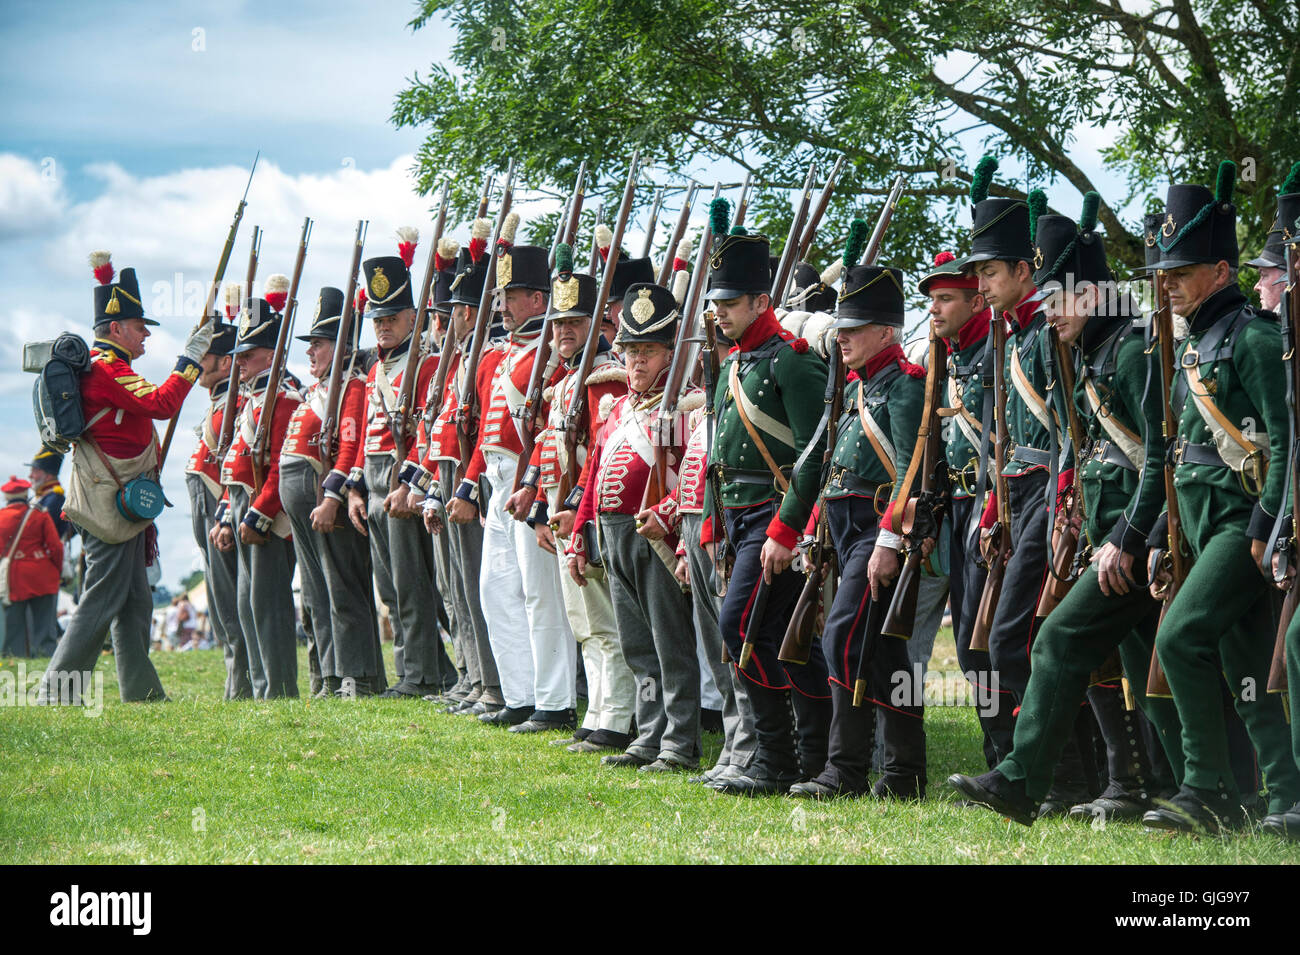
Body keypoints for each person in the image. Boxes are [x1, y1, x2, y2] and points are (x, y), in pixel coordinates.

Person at [950, 195, 1187, 825]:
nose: (1049, 312)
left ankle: (1033, 780)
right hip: (1103, 526)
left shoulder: (1132, 352)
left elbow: (1162, 453)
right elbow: (1082, 452)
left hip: (1138, 533)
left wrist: (1138, 535)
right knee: (1139, 663)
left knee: (1065, 640)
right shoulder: (1085, 352)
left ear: (1090, 294)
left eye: (1059, 297)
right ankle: (1167, 786)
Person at [1137, 163, 1300, 833]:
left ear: (1222, 272)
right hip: (1200, 525)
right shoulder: (1192, 347)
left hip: (1242, 520)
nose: (1167, 283)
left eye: (1181, 271)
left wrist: (1269, 522)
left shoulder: (1254, 340)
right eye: (1165, 272)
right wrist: (1156, 538)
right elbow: (1175, 455)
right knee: (1245, 663)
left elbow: (1288, 440)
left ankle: (1205, 786)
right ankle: (1279, 795)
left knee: (1179, 638)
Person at [960, 159, 1092, 813]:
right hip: (1015, 497)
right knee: (990, 640)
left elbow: (1070, 426)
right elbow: (1001, 440)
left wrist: (1063, 497)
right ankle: (1027, 770)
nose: (979, 284)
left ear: (1022, 270)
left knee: (1020, 638)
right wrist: (993, 505)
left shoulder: (1045, 334)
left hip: (1050, 494)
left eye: (989, 272)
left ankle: (1062, 776)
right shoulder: (1005, 338)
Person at [700, 197, 832, 796]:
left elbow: (813, 457)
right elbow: (717, 457)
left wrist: (786, 530)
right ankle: (807, 754)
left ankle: (778, 757)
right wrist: (710, 524)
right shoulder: (733, 364)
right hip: (738, 519)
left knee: (742, 629)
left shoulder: (791, 363)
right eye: (716, 304)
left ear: (760, 302)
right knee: (782, 641)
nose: (720, 314)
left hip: (773, 520)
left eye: (730, 304)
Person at [39, 253, 211, 704]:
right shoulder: (107, 368)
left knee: (136, 600)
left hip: (121, 499)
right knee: (100, 599)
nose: (146, 334)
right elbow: (162, 404)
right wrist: (189, 359)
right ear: (116, 329)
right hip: (110, 501)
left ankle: (143, 691)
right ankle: (57, 691)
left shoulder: (113, 367)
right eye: (139, 326)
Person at [789, 253, 927, 799]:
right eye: (839, 328)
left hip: (878, 530)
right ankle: (902, 774)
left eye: (855, 328)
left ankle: (844, 770)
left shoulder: (905, 384)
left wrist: (890, 541)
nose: (841, 338)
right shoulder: (857, 385)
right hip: (844, 531)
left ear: (887, 330)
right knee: (885, 652)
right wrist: (816, 528)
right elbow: (836, 468)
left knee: (843, 637)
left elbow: (909, 473)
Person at [569, 280, 701, 770]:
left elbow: (690, 474)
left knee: (670, 644)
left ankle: (679, 741)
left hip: (656, 537)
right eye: (630, 351)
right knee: (638, 646)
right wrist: (581, 535)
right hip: (612, 533)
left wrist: (665, 516)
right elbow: (594, 471)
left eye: (648, 351)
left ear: (670, 353)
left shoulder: (682, 408)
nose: (637, 361)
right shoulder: (618, 407)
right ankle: (648, 734)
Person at [447, 230, 576, 729]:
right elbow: (482, 433)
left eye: (511, 296)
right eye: (500, 297)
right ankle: (519, 695)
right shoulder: (495, 358)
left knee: (541, 596)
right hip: (497, 482)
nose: (501, 305)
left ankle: (555, 701)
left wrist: (536, 489)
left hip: (532, 482)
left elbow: (549, 429)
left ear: (538, 299)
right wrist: (467, 485)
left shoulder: (549, 355)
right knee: (496, 591)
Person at [511, 242, 635, 751]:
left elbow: (605, 455)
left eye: (575, 322)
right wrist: (543, 512)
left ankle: (617, 718)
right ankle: (597, 713)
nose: (564, 331)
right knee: (584, 622)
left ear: (596, 326)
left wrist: (572, 511)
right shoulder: (561, 384)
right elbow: (547, 454)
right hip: (565, 514)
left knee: (606, 622)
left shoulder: (604, 379)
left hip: (592, 512)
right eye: (559, 322)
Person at [346, 233, 454, 698]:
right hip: (372, 485)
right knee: (390, 589)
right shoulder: (375, 370)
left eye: (391, 318)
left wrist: (408, 483)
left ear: (413, 317)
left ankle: (422, 675)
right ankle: (427, 670)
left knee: (412, 588)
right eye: (377, 320)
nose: (383, 327)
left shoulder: (426, 365)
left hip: (400, 482)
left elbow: (426, 432)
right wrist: (354, 488)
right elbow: (366, 433)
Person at [409, 232, 503, 715]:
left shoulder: (486, 359)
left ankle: (491, 682)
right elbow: (439, 427)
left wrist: (466, 486)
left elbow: (488, 431)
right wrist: (429, 492)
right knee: (456, 587)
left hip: (473, 478)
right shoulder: (462, 360)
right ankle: (472, 675)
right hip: (449, 476)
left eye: (448, 314)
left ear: (467, 313)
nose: (442, 324)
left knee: (477, 584)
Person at [287, 287, 386, 697]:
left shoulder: (352, 388)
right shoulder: (320, 390)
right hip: (306, 506)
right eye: (309, 345)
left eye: (319, 344)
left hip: (328, 499)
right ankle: (331, 676)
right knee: (316, 595)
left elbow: (349, 445)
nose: (310, 352)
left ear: (342, 347)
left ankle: (357, 677)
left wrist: (332, 497)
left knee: (343, 590)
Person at [215, 291, 302, 699]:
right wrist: (223, 515)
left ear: (270, 355)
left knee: (268, 607)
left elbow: (281, 465)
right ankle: (263, 686)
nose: (240, 362)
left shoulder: (282, 400)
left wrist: (259, 515)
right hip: (240, 508)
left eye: (248, 354)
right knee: (248, 605)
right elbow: (234, 462)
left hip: (263, 516)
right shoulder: (251, 400)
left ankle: (279, 689)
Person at [184, 311, 251, 698]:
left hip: (218, 501)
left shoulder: (237, 401)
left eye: (205, 355)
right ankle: (235, 681)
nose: (197, 364)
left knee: (229, 599)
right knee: (218, 596)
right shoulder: (218, 400)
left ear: (225, 362)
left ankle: (241, 684)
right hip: (205, 501)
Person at [0, 476, 63, 658]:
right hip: (43, 574)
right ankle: (47, 660)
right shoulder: (39, 514)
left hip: (14, 578)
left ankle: (15, 660)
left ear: (7, 496)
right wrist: (57, 570)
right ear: (25, 493)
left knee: (14, 629)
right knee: (45, 627)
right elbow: (56, 547)